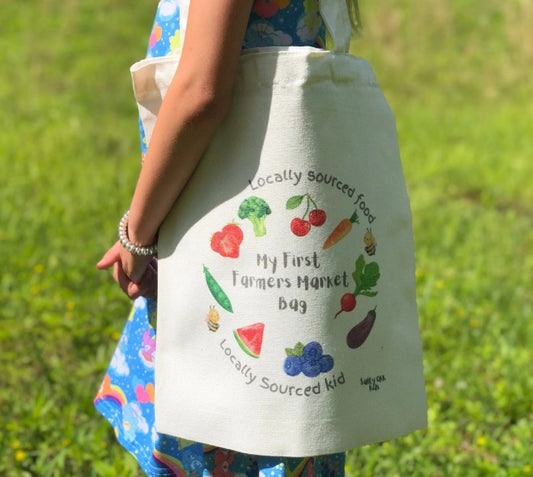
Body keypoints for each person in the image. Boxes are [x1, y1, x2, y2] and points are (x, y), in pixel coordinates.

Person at [95, 0, 364, 475]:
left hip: (220, 238)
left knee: (226, 430)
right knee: (283, 417)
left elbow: (200, 93)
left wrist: (137, 234)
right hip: (273, 243)